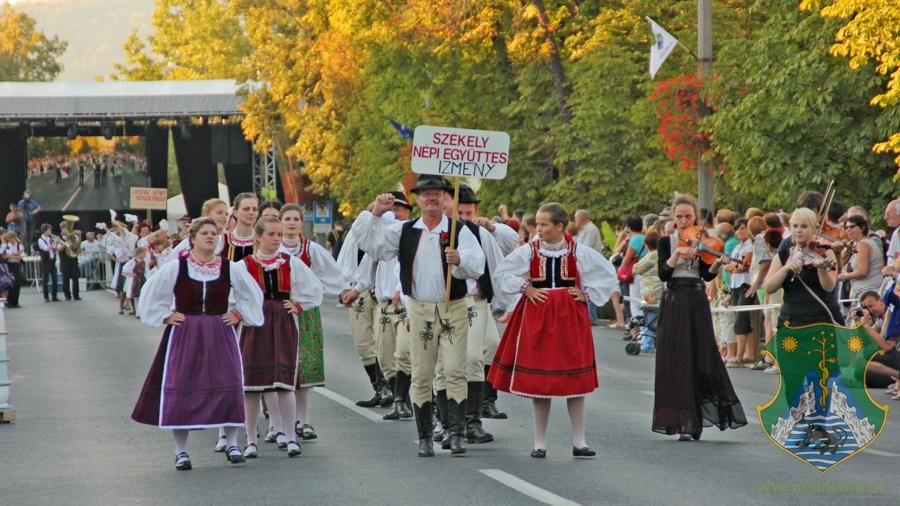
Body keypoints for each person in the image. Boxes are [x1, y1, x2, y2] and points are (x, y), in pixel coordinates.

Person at [350, 175, 485, 457]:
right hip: (421, 309)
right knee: (422, 373)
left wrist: (459, 260)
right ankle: (425, 435)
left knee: (454, 370)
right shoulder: (405, 231)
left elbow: (478, 265)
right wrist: (374, 212)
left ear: (446, 198)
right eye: (425, 194)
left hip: (453, 309)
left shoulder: (460, 230)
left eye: (436, 194)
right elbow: (371, 244)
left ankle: (457, 433)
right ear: (418, 200)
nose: (431, 198)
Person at [132, 217, 264, 471]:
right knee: (181, 387)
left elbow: (252, 294)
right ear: (192, 238)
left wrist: (238, 314)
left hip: (219, 330)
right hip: (185, 333)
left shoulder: (229, 268)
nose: (211, 237)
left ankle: (233, 443)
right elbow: (152, 291)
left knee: (229, 384)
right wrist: (165, 315)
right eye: (205, 233)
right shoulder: (177, 267)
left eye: (214, 233)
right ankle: (181, 451)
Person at [488, 202, 617, 458]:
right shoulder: (530, 250)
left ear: (560, 226)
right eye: (538, 223)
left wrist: (587, 294)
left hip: (570, 317)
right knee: (540, 383)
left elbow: (607, 274)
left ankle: (579, 441)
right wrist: (526, 287)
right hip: (538, 315)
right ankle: (539, 442)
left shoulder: (577, 251)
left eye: (545, 224)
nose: (539, 228)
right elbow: (502, 273)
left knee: (575, 381)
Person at [653, 194, 747, 441]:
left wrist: (718, 262)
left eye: (688, 216)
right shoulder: (666, 242)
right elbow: (663, 274)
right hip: (674, 300)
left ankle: (695, 419)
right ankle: (682, 420)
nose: (684, 221)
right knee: (675, 358)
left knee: (699, 356)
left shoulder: (705, 241)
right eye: (679, 217)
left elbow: (706, 276)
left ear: (696, 217)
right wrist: (678, 255)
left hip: (696, 300)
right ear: (673, 218)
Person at [240, 216, 323, 459]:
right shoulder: (244, 265)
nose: (276, 239)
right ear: (258, 237)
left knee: (285, 381)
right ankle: (251, 440)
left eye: (278, 235)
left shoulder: (290, 262)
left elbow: (313, 288)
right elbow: (234, 294)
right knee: (252, 385)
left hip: (283, 322)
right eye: (271, 234)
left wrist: (298, 306)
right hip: (255, 323)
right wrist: (238, 313)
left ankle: (289, 435)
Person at [279, 204, 348, 441]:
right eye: (286, 218)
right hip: (278, 312)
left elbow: (332, 274)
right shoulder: (272, 249)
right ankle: (276, 424)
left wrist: (340, 291)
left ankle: (304, 419)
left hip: (305, 311)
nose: (290, 223)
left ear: (301, 223)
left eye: (295, 219)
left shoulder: (311, 249)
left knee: (304, 366)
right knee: (278, 365)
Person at [838, 215, 884, 302]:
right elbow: (842, 264)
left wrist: (845, 276)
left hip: (868, 292)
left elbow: (862, 272)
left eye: (852, 226)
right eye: (846, 227)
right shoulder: (857, 244)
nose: (848, 230)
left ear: (862, 227)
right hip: (863, 291)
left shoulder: (863, 244)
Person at [574, 209, 603, 325]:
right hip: (586, 264)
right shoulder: (585, 230)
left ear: (581, 218)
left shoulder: (590, 229)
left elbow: (585, 248)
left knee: (589, 288)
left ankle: (591, 317)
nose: (575, 220)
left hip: (590, 264)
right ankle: (589, 315)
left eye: (576, 218)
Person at [223, 193, 259, 262]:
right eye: (246, 209)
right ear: (235, 213)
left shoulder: (262, 240)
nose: (251, 212)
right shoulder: (223, 240)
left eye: (254, 209)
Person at [36, 224, 61, 302]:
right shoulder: (40, 240)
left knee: (54, 279)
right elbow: (47, 249)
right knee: (45, 279)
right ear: (45, 231)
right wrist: (55, 242)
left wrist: (57, 243)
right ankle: (46, 297)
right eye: (49, 230)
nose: (51, 232)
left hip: (52, 261)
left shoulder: (50, 239)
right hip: (45, 262)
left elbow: (54, 248)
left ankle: (54, 296)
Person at [122, 247, 149, 316]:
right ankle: (137, 312)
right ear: (139, 253)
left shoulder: (144, 261)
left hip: (142, 279)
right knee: (137, 295)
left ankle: (140, 311)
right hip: (136, 280)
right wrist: (131, 274)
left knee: (142, 295)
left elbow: (146, 270)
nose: (145, 256)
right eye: (144, 254)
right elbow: (124, 269)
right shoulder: (133, 261)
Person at [1, 231, 24, 308]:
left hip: (16, 265)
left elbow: (21, 256)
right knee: (10, 283)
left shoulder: (19, 246)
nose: (9, 240)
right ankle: (9, 301)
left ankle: (15, 301)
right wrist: (15, 255)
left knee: (17, 283)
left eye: (10, 238)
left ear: (14, 237)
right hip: (9, 265)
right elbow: (4, 256)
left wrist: (12, 255)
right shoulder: (6, 245)